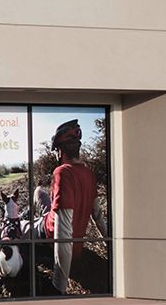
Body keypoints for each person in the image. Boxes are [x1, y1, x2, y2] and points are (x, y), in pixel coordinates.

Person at [27, 119, 107, 293]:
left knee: (20, 226)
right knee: (39, 192)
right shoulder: (89, 174)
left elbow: (63, 232)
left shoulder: (62, 172)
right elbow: (98, 216)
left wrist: (59, 286)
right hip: (52, 219)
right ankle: (32, 215)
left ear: (59, 150)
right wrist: (112, 246)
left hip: (47, 233)